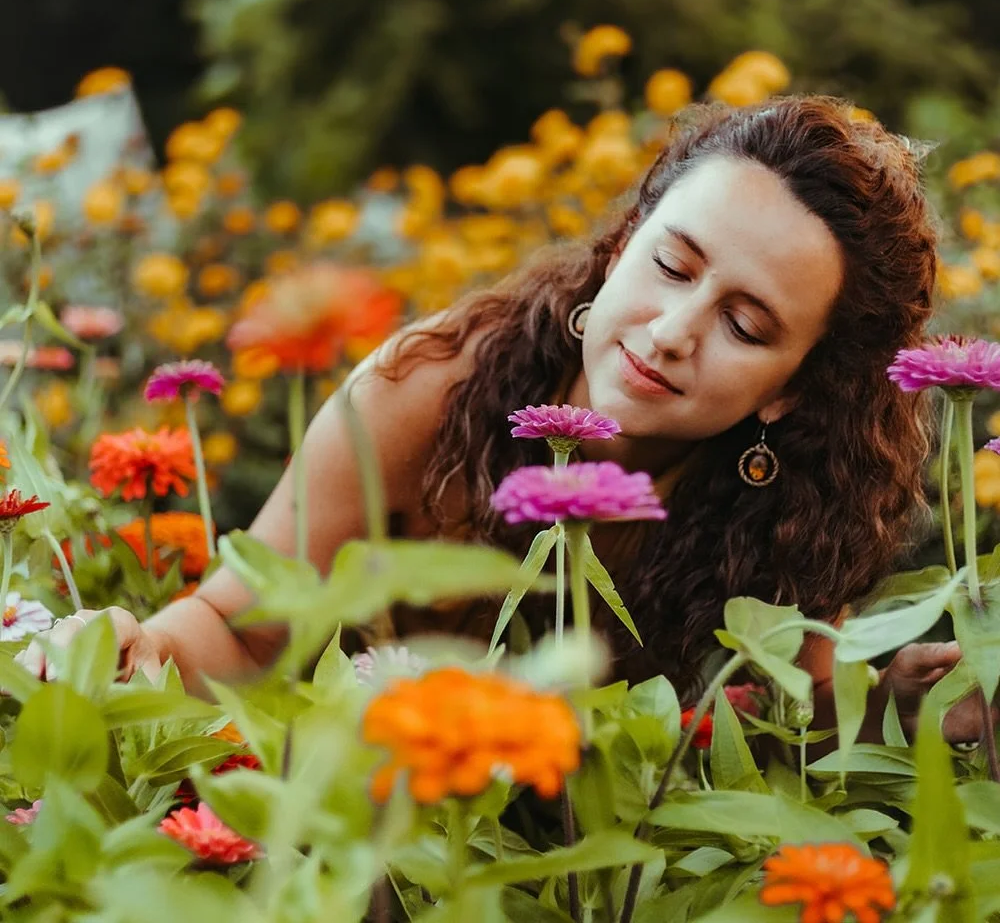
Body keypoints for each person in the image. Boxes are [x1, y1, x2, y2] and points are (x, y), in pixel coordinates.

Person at [17, 96, 989, 745]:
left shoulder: (787, 514)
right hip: (370, 819)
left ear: (789, 388)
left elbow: (781, 726)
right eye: (672, 265)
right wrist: (128, 649)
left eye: (745, 323)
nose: (674, 330)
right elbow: (246, 629)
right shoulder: (429, 392)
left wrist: (892, 706)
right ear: (619, 246)